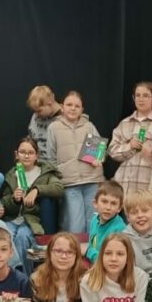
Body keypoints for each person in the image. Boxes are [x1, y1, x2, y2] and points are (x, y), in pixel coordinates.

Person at [0, 135, 64, 274]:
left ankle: (24, 279)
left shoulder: (45, 173)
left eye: (30, 153)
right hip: (12, 219)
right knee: (4, 235)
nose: (26, 156)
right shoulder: (11, 175)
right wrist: (14, 199)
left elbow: (59, 188)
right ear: (16, 155)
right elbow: (5, 202)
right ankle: (9, 276)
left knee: (22, 237)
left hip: (33, 220)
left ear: (37, 155)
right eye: (23, 152)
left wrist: (37, 190)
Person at [48, 90, 105, 234]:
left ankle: (93, 248)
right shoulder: (54, 127)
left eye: (77, 106)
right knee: (75, 226)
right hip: (70, 183)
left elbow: (101, 150)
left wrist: (99, 158)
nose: (73, 108)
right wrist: (58, 178)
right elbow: (51, 157)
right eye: (69, 105)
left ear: (82, 109)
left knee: (93, 223)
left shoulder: (89, 126)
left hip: (92, 180)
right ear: (62, 107)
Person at [108, 81, 152, 195]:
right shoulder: (124, 123)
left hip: (151, 186)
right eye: (137, 95)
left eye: (145, 95)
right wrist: (129, 146)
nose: (141, 99)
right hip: (124, 186)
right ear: (133, 98)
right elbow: (112, 151)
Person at [26, 84, 62, 233]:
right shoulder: (35, 117)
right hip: (39, 170)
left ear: (50, 101)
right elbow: (31, 140)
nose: (37, 114)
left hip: (60, 173)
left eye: (39, 110)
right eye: (34, 110)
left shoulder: (67, 116)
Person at [121, 189, 152, 274]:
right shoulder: (125, 238)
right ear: (128, 217)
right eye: (134, 213)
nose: (140, 215)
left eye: (145, 211)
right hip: (139, 277)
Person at [86, 180, 127, 263]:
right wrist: (90, 251)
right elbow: (92, 245)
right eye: (104, 201)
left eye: (113, 203)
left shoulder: (120, 229)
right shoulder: (94, 220)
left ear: (119, 208)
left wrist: (89, 252)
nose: (108, 207)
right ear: (95, 203)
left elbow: (109, 259)